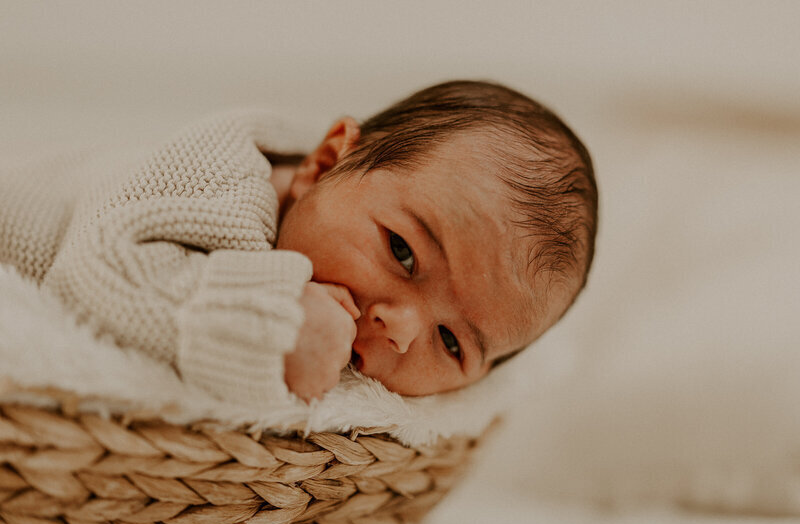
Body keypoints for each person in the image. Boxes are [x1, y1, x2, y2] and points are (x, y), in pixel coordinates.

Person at [0, 80, 597, 404]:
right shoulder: (216, 182)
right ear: (326, 160)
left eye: (451, 342)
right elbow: (95, 273)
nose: (401, 328)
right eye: (404, 252)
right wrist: (273, 323)